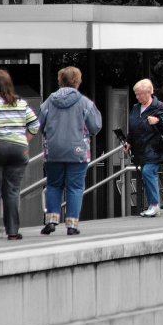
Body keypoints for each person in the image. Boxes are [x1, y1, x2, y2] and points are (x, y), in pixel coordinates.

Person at [0, 69, 40, 241]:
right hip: (18, 150)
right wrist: (24, 141)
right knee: (12, 191)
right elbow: (35, 124)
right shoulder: (20, 103)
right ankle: (12, 231)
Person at [39, 67, 103, 236]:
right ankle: (72, 225)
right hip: (78, 150)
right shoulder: (85, 102)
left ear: (60, 80)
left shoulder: (49, 102)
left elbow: (39, 123)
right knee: (75, 187)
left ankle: (51, 221)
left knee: (53, 184)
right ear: (77, 81)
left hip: (53, 150)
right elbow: (96, 126)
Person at [126, 79, 163, 218]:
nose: (137, 97)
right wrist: (129, 142)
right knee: (146, 174)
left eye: (139, 94)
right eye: (136, 94)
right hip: (140, 148)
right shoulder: (136, 108)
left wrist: (158, 121)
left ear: (148, 92)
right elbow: (133, 127)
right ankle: (152, 205)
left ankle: (154, 205)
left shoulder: (159, 107)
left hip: (155, 147)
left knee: (148, 172)